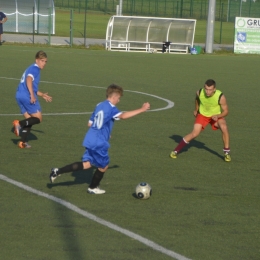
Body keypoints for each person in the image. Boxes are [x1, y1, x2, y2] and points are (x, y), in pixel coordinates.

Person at [49, 84, 150, 194]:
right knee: (103, 166)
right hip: (98, 142)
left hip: (90, 138)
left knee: (87, 164)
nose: (119, 100)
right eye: (119, 98)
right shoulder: (111, 108)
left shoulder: (99, 105)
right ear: (114, 97)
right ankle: (93, 187)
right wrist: (142, 109)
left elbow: (90, 123)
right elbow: (123, 116)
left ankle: (57, 171)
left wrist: (105, 132)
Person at [170, 79, 231, 162]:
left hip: (216, 116)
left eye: (210, 90)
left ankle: (226, 153)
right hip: (202, 115)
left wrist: (218, 115)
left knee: (224, 127)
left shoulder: (220, 97)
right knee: (194, 134)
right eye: (206, 89)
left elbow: (226, 111)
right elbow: (197, 100)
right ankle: (175, 151)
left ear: (214, 89)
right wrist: (196, 109)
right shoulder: (200, 92)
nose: (207, 92)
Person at [13, 51, 52, 148]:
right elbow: (29, 80)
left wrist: (41, 94)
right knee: (38, 118)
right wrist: (32, 95)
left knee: (30, 119)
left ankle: (22, 142)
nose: (44, 63)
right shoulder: (35, 68)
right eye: (42, 61)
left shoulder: (31, 68)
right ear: (37, 60)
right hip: (26, 96)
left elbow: (32, 86)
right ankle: (19, 124)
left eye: (45, 61)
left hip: (19, 95)